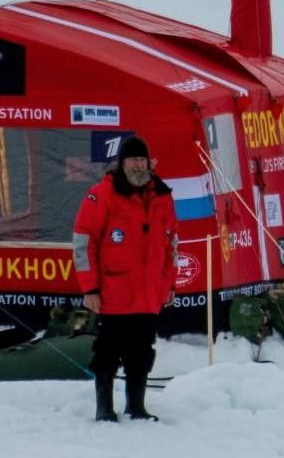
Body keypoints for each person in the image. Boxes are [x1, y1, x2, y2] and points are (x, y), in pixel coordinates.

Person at [71, 135, 179, 422]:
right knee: (108, 351)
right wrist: (90, 288)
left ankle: (136, 406)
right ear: (121, 163)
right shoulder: (102, 194)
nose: (138, 165)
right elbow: (84, 242)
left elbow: (171, 243)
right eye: (133, 160)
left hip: (148, 294)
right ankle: (104, 407)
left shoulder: (162, 196)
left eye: (142, 160)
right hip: (114, 292)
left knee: (142, 352)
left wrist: (169, 284)